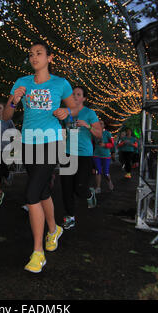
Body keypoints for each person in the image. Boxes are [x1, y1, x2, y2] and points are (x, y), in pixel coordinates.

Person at [3, 41, 74, 273]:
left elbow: (73, 109)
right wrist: (14, 100)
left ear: (49, 58)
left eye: (39, 53)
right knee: (42, 191)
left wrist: (67, 112)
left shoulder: (60, 83)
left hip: (52, 142)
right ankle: (54, 230)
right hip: (28, 142)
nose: (34, 57)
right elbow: (6, 114)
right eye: (31, 54)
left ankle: (37, 253)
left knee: (32, 194)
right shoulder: (22, 82)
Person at [60, 86, 102, 230]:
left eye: (78, 94)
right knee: (66, 188)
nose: (75, 96)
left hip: (84, 155)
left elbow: (99, 134)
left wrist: (87, 125)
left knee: (80, 188)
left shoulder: (89, 113)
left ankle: (89, 193)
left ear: (84, 98)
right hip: (67, 153)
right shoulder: (66, 113)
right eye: (73, 94)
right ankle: (70, 216)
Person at [93, 120, 114, 194]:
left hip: (106, 156)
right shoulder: (94, 133)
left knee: (106, 173)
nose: (99, 124)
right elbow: (92, 143)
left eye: (101, 123)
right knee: (98, 171)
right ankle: (98, 187)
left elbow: (112, 144)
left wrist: (105, 145)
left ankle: (109, 181)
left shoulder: (108, 133)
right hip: (96, 155)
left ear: (104, 125)